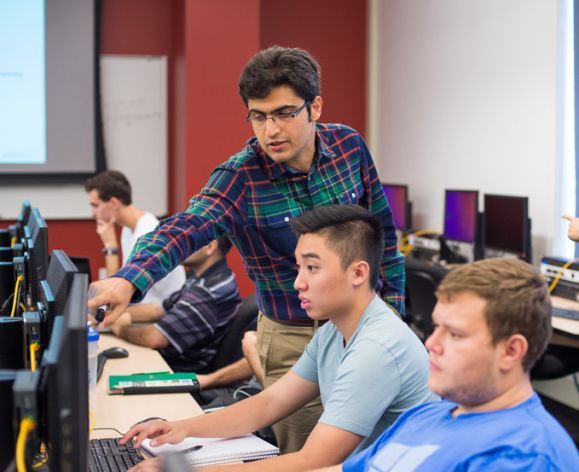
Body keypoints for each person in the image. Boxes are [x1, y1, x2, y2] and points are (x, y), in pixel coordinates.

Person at [88, 46, 405, 453]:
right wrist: (126, 280)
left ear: (316, 107)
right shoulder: (240, 176)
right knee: (311, 453)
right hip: (296, 338)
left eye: (285, 113)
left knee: (377, 445)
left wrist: (393, 308)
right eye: (259, 116)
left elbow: (383, 231)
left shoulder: (349, 147)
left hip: (365, 324)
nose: (271, 130)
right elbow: (185, 228)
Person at [122, 205, 435, 471]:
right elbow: (269, 403)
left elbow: (314, 460)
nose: (298, 282)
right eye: (299, 267)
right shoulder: (334, 330)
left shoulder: (375, 349)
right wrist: (182, 428)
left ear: (358, 273)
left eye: (313, 268)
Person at [317, 258, 578, 472]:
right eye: (436, 327)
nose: (431, 343)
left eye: (455, 334)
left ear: (511, 351)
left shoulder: (523, 456)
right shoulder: (425, 415)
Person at [109, 236, 242, 373]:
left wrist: (121, 329)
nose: (179, 245)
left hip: (178, 373)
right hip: (166, 362)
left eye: (187, 240)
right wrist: (114, 314)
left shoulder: (208, 290)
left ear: (210, 247)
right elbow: (157, 309)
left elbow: (154, 338)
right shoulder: (204, 276)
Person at [85, 170, 186, 304]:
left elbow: (113, 294)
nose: (93, 213)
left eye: (95, 206)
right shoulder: (128, 228)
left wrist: (110, 246)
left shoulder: (146, 233)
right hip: (148, 308)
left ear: (114, 203)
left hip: (164, 315)